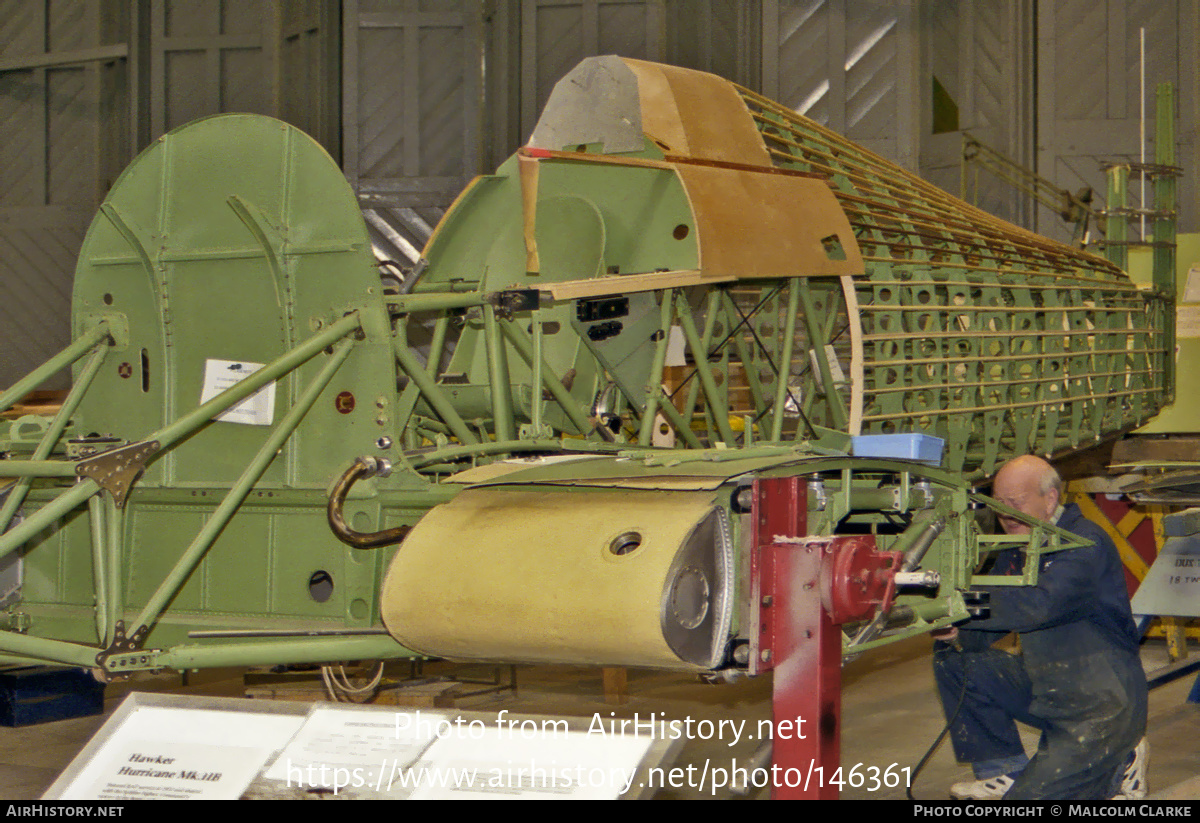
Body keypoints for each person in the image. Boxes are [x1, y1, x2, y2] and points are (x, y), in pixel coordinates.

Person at [933, 455, 1148, 800]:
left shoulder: (1083, 543)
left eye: (1014, 504)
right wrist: (958, 632)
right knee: (954, 660)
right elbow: (995, 616)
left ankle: (1122, 757)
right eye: (997, 504)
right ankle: (1005, 771)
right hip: (1048, 686)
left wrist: (962, 605)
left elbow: (1038, 605)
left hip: (1100, 704)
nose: (1004, 515)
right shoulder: (1018, 546)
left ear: (1050, 499)